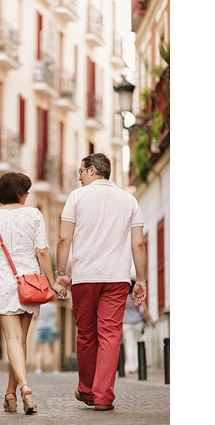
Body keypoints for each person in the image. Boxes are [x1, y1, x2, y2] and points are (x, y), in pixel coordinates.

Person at [56, 153, 147, 411]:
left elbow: (64, 239)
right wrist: (140, 280)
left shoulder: (76, 197)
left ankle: (86, 389)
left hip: (85, 278)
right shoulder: (129, 200)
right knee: (110, 335)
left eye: (81, 173)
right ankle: (104, 396)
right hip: (117, 279)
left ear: (92, 170)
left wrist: (61, 272)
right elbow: (138, 243)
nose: (79, 178)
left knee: (86, 334)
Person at [0, 172, 65, 414]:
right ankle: (10, 394)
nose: (28, 195)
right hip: (30, 284)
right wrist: (53, 282)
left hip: (3, 284)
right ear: (19, 193)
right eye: (26, 190)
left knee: (12, 340)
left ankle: (24, 389)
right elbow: (42, 252)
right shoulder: (34, 214)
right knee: (21, 341)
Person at [122, 281, 154, 374]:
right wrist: (151, 321)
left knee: (129, 344)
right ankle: (137, 365)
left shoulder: (122, 298)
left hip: (126, 323)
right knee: (136, 343)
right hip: (137, 322)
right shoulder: (137, 296)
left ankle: (131, 367)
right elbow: (144, 309)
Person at [34, 301, 59, 374]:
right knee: (52, 350)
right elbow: (56, 320)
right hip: (50, 329)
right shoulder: (54, 306)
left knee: (39, 350)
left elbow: (34, 317)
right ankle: (55, 369)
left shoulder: (39, 305)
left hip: (40, 328)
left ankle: (38, 369)